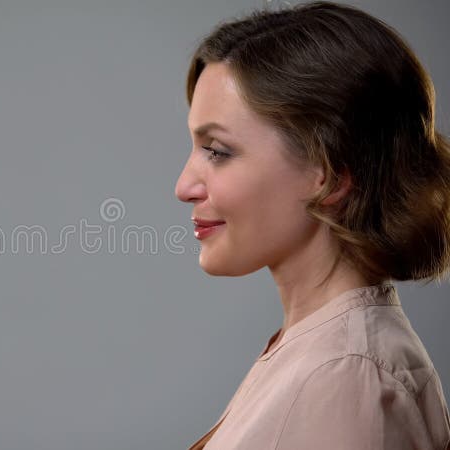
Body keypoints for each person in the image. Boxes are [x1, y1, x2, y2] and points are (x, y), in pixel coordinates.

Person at [174, 2, 450, 448]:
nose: (184, 186)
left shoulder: (345, 374)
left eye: (218, 151)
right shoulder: (321, 353)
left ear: (329, 174)